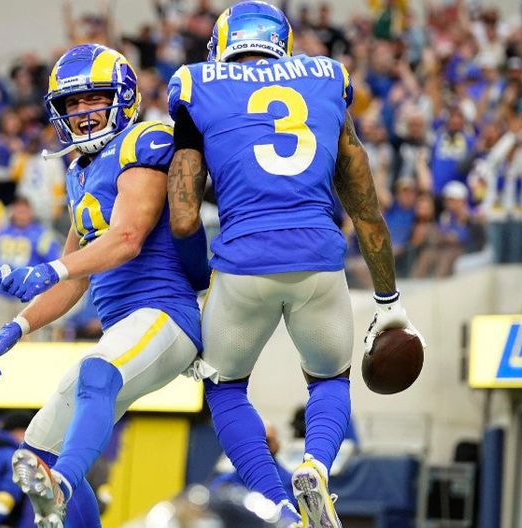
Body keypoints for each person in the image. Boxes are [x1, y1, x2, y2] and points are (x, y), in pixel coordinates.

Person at [166, 2, 425, 526]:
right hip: (318, 260)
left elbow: (185, 218)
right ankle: (316, 467)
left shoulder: (197, 84)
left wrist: (195, 287)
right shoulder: (326, 76)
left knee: (225, 388)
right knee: (329, 380)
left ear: (223, 47)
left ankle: (278, 505)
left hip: (242, 262)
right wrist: (388, 300)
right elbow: (366, 209)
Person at [0, 44, 205, 528]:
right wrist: (18, 326)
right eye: (72, 103)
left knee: (96, 375)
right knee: (36, 452)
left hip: (165, 312)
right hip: (124, 329)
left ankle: (63, 484)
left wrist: (49, 270)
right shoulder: (79, 171)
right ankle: (63, 488)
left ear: (122, 97)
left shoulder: (144, 140)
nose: (82, 111)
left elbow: (126, 238)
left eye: (94, 98)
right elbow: (75, 274)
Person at [0, 197, 60, 336]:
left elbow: (53, 263)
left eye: (24, 212)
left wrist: (45, 293)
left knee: (32, 340)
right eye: (18, 211)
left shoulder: (42, 235)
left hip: (29, 297)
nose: (21, 215)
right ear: (13, 212)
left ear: (31, 212)